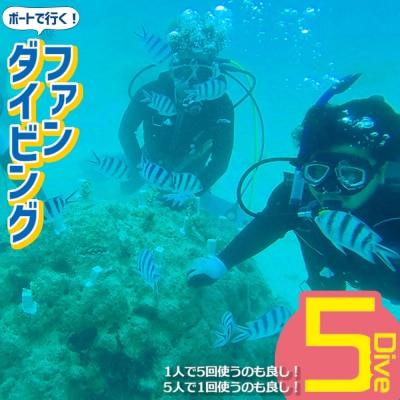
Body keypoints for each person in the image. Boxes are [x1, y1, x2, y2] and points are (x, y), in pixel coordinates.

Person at [186, 87, 400, 304]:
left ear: (381, 172)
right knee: (327, 300)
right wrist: (221, 262)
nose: (331, 188)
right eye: (318, 171)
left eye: (351, 175)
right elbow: (267, 225)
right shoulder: (297, 196)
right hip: (330, 275)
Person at [118, 9, 234, 208]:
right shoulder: (151, 92)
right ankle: (120, 166)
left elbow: (221, 161)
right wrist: (140, 166)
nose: (192, 82)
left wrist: (194, 191)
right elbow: (125, 131)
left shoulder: (221, 105)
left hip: (190, 179)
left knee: (186, 210)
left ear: (213, 75)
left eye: (203, 74)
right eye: (184, 72)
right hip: (148, 165)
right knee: (123, 189)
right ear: (172, 71)